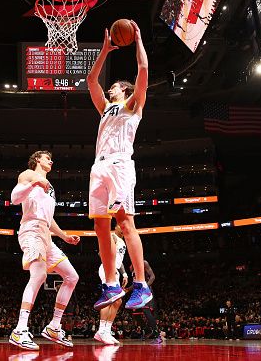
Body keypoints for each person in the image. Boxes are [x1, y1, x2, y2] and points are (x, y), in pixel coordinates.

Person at [86, 20, 152, 311]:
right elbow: (90, 80)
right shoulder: (104, 108)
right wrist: (104, 51)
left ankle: (140, 284)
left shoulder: (133, 105)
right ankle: (111, 284)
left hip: (120, 165)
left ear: (123, 90)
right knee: (101, 228)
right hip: (98, 168)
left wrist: (137, 40)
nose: (109, 87)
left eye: (113, 86)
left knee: (125, 223)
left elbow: (144, 71)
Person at [8, 151, 80, 351]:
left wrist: (64, 236)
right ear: (37, 160)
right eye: (47, 157)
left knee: (72, 277)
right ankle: (20, 329)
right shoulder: (28, 174)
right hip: (31, 230)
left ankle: (54, 326)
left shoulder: (50, 187)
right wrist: (33, 184)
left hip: (46, 235)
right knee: (38, 275)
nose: (51, 160)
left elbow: (49, 219)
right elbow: (14, 198)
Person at [94, 224, 128, 345]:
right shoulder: (112, 236)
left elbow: (120, 260)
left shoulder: (122, 241)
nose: (123, 228)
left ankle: (106, 331)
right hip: (108, 269)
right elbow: (100, 253)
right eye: (120, 226)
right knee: (109, 299)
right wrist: (110, 265)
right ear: (116, 227)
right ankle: (101, 331)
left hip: (115, 270)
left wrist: (124, 274)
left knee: (117, 301)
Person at [128, 260, 162, 344]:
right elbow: (135, 284)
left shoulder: (144, 263)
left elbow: (152, 276)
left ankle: (157, 336)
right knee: (136, 315)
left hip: (145, 291)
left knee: (146, 312)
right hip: (137, 292)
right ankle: (147, 330)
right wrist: (127, 289)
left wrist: (146, 286)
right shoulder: (131, 267)